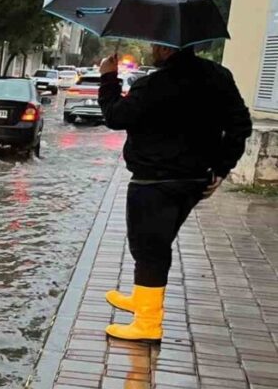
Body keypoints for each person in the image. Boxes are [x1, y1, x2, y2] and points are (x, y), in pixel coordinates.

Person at [97, 45, 252, 342]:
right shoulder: (218, 76)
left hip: (154, 182)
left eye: (157, 45)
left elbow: (116, 116)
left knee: (149, 249)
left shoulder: (154, 85)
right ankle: (145, 298)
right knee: (158, 244)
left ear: (168, 47)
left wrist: (108, 78)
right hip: (194, 180)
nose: (154, 49)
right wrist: (221, 168)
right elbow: (240, 126)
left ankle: (147, 323)